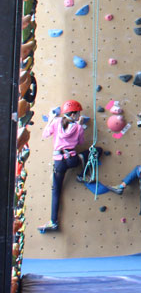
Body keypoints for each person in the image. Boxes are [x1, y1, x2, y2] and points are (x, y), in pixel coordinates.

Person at [38, 100, 92, 233]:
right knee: (95, 151)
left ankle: (53, 222)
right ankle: (81, 175)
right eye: (78, 113)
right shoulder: (78, 127)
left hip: (59, 162)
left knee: (56, 191)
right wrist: (79, 127)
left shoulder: (56, 122)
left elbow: (45, 134)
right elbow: (81, 142)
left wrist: (51, 118)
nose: (79, 115)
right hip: (72, 159)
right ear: (73, 115)